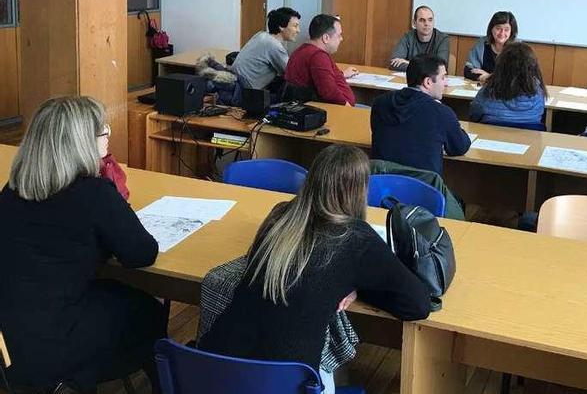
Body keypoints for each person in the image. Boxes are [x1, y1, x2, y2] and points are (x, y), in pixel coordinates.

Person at [199, 145, 430, 393]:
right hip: (284, 383)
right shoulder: (356, 238)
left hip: (209, 372)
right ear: (359, 192)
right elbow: (417, 304)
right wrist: (359, 285)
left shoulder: (280, 216)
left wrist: (348, 282)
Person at [0, 96, 165, 394]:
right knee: (147, 311)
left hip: (10, 338)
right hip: (57, 340)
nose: (107, 135)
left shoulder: (11, 192)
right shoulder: (94, 193)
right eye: (102, 131)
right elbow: (142, 253)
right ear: (80, 143)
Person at [371, 54, 472, 175]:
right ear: (428, 82)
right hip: (423, 191)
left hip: (382, 188)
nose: (446, 83)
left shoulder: (380, 103)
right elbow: (460, 147)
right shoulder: (441, 112)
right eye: (443, 77)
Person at [285, 14, 359, 106]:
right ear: (326, 38)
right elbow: (329, 92)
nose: (341, 39)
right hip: (336, 110)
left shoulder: (303, 50)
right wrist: (348, 108)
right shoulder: (318, 56)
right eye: (339, 35)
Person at [469, 42, 547, 126]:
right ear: (533, 66)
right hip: (529, 137)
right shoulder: (538, 91)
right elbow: (539, 115)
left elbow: (474, 114)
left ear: (501, 64)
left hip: (491, 135)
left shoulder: (489, 89)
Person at [233, 7, 301, 90]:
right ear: (281, 26)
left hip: (236, 83)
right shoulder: (274, 45)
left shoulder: (261, 35)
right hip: (246, 92)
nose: (298, 30)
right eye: (295, 26)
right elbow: (292, 74)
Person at [388, 5, 450, 71]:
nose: (427, 24)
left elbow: (441, 67)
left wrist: (410, 64)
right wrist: (428, 67)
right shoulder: (408, 37)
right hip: (412, 80)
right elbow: (394, 63)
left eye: (430, 20)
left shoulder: (442, 39)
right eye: (422, 20)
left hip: (434, 81)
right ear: (414, 23)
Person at [463, 11, 517, 83]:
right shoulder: (482, 43)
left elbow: (516, 78)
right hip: (483, 90)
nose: (502, 33)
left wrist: (488, 76)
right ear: (491, 29)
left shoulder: (517, 48)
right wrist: (491, 78)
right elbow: (468, 70)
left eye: (506, 30)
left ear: (511, 31)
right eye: (498, 28)